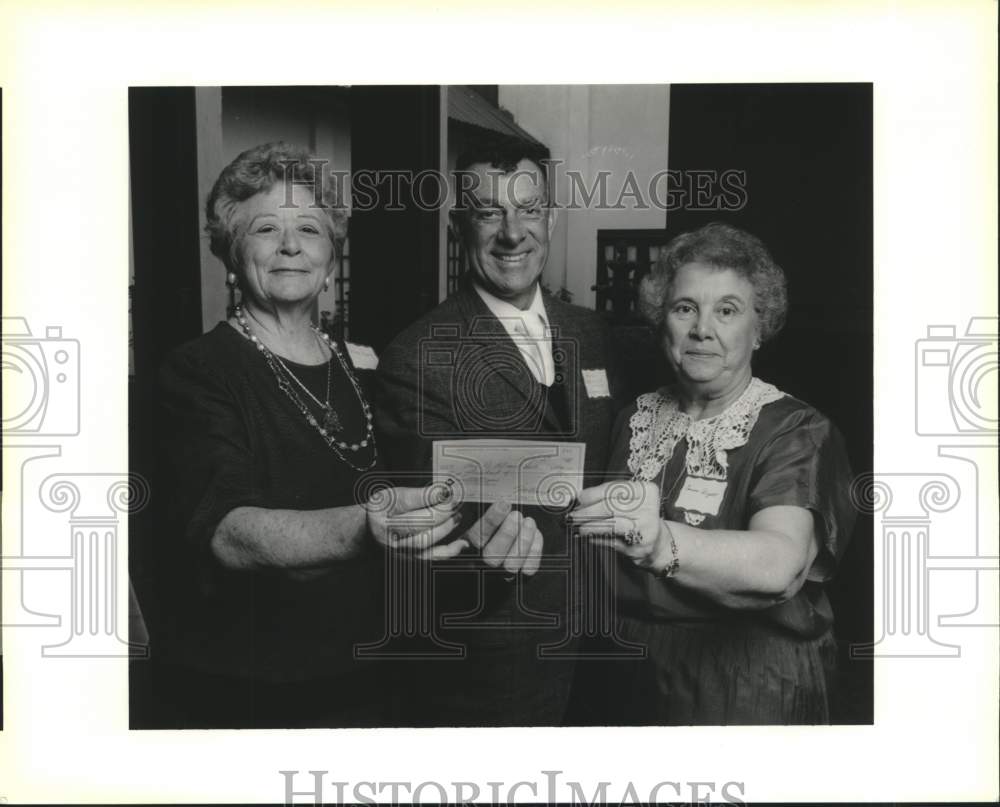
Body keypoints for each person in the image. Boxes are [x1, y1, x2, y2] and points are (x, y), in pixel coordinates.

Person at [146, 142, 524, 728]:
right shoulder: (197, 371)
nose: (291, 245)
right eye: (267, 227)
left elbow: (420, 502)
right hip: (261, 693)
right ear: (228, 250)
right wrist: (366, 525)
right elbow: (226, 533)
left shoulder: (365, 365)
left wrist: (490, 539)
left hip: (384, 676)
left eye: (310, 229)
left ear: (331, 254)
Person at [375, 139, 625, 726]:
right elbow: (436, 510)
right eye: (489, 212)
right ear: (459, 224)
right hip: (495, 658)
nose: (512, 233)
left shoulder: (595, 334)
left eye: (529, 209)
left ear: (551, 218)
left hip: (609, 641)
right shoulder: (418, 354)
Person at [568, 222, 855, 725]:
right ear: (662, 322)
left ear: (759, 327)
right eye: (685, 308)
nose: (703, 328)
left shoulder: (796, 429)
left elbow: (779, 565)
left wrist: (661, 545)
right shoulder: (632, 416)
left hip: (745, 681)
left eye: (727, 310)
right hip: (626, 672)